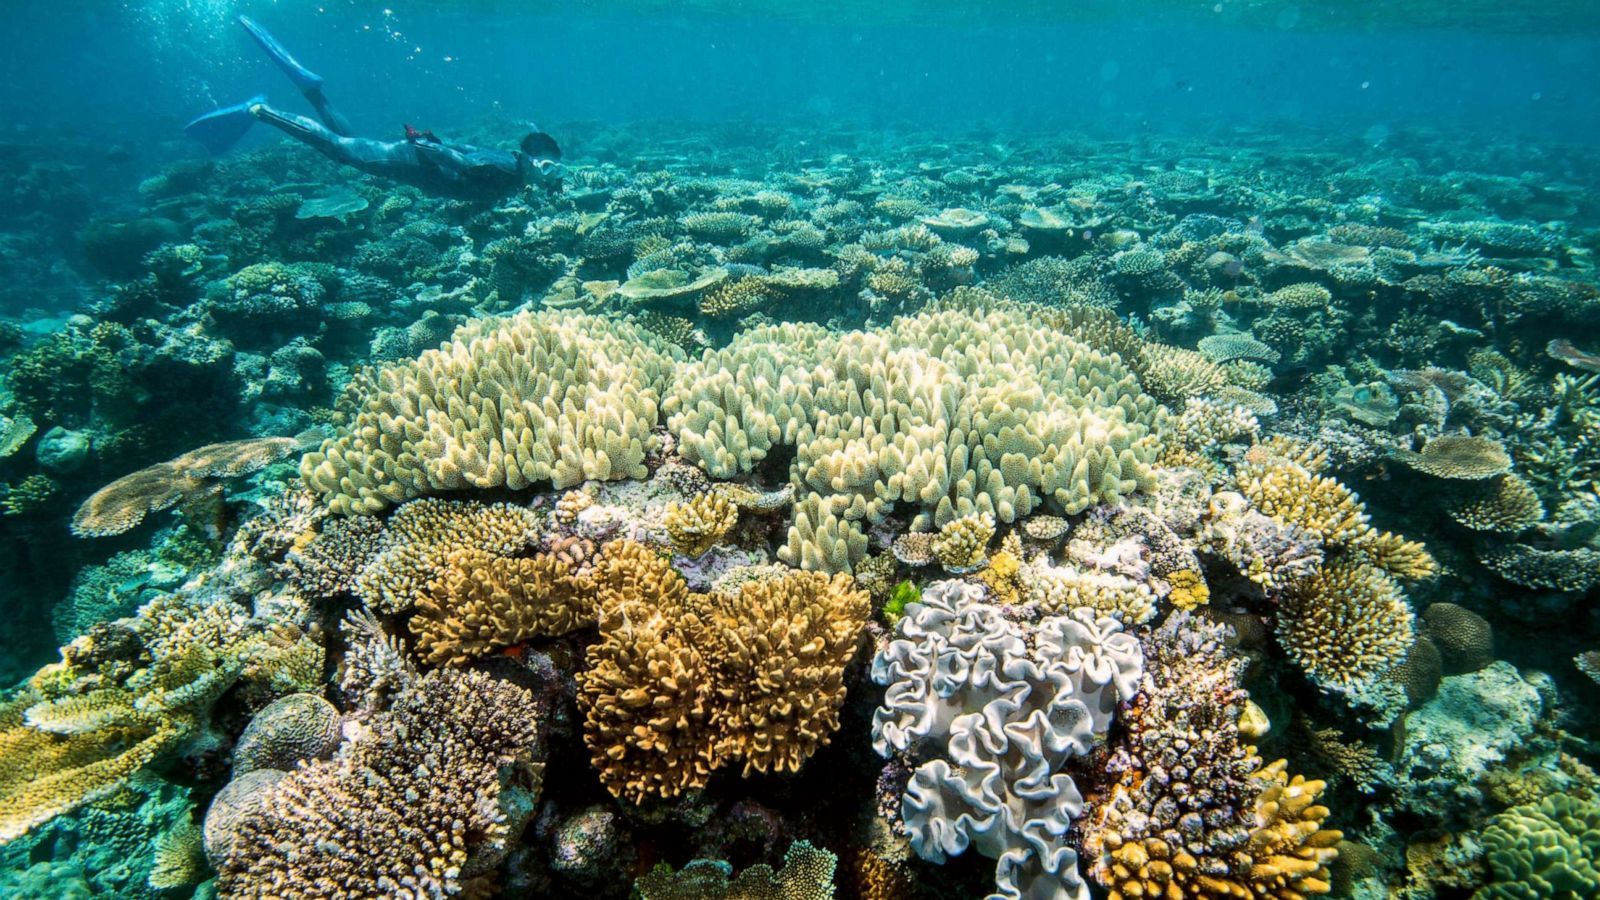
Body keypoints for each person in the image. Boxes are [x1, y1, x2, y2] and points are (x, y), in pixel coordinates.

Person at [186, 16, 562, 200]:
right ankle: (260, 110)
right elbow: (460, 162)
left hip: (412, 157)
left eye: (554, 168)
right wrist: (428, 146)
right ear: (529, 158)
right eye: (547, 165)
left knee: (350, 139)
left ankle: (313, 92)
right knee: (339, 150)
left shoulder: (509, 162)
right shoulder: (505, 170)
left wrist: (431, 139)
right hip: (406, 163)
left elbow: (464, 152)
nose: (550, 174)